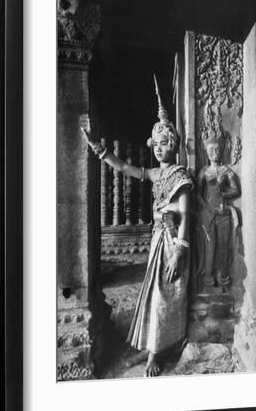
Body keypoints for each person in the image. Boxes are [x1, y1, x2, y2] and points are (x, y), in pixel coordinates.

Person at [83, 80, 193, 376]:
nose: (159, 150)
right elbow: (128, 169)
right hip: (158, 239)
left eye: (165, 144)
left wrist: (179, 253)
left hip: (173, 243)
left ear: (175, 145)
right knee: (150, 294)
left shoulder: (181, 176)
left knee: (165, 296)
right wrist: (103, 153)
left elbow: (186, 214)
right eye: (156, 145)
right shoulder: (155, 173)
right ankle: (150, 347)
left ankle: (156, 353)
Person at [194, 134, 241, 292]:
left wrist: (225, 194)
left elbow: (236, 190)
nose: (215, 152)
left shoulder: (226, 171)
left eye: (217, 149)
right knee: (210, 245)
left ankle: (224, 276)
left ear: (221, 151)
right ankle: (208, 276)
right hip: (208, 213)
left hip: (222, 212)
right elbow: (197, 193)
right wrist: (206, 207)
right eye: (211, 149)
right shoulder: (204, 171)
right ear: (206, 152)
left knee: (223, 246)